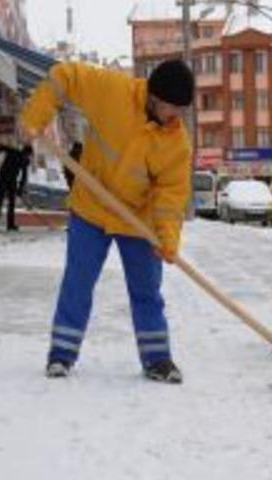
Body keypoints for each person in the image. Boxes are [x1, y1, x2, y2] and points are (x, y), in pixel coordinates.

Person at [19, 59, 194, 383]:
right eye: (175, 107)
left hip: (137, 220)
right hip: (91, 208)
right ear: (155, 97)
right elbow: (65, 76)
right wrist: (36, 115)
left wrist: (167, 238)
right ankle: (61, 355)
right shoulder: (113, 92)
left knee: (147, 291)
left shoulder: (175, 142)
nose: (178, 117)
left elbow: (171, 197)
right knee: (78, 282)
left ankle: (157, 359)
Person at [0, 143, 32, 231]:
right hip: (7, 180)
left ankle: (0, 222)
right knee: (6, 202)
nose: (27, 156)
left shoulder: (15, 153)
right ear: (27, 153)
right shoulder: (17, 154)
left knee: (2, 201)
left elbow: (0, 147)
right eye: (28, 155)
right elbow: (24, 176)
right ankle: (6, 223)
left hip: (6, 179)